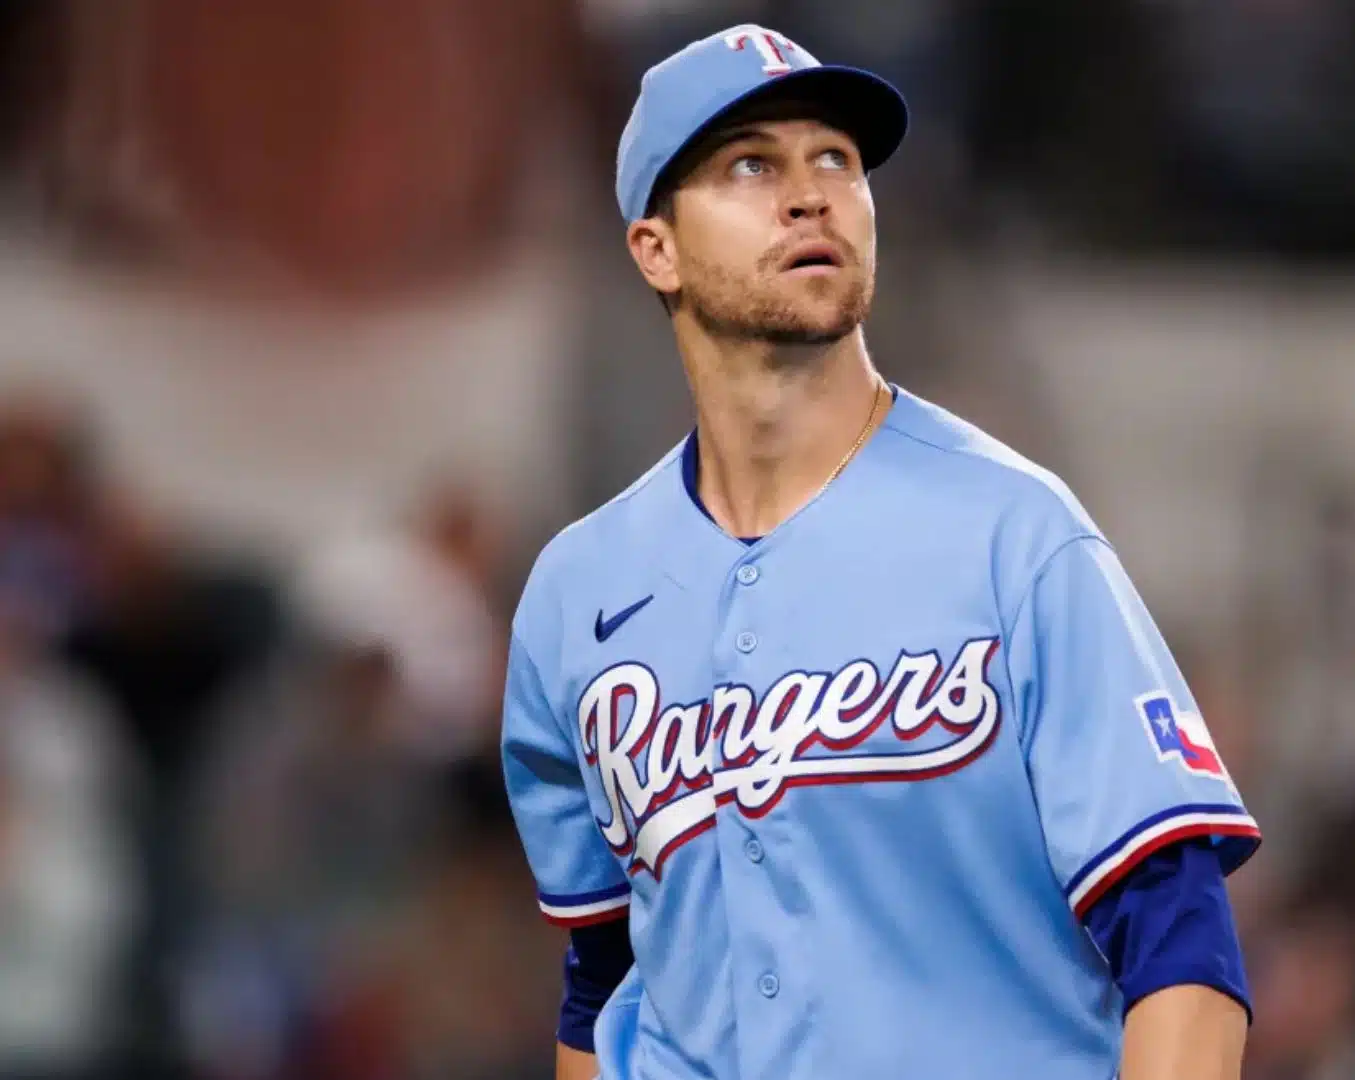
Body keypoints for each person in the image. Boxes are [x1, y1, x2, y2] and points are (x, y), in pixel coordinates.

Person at [500, 23, 1262, 1080]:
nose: (810, 193)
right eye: (750, 165)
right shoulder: (576, 593)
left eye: (838, 161)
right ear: (655, 248)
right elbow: (601, 977)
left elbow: (1182, 942)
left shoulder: (1015, 533)